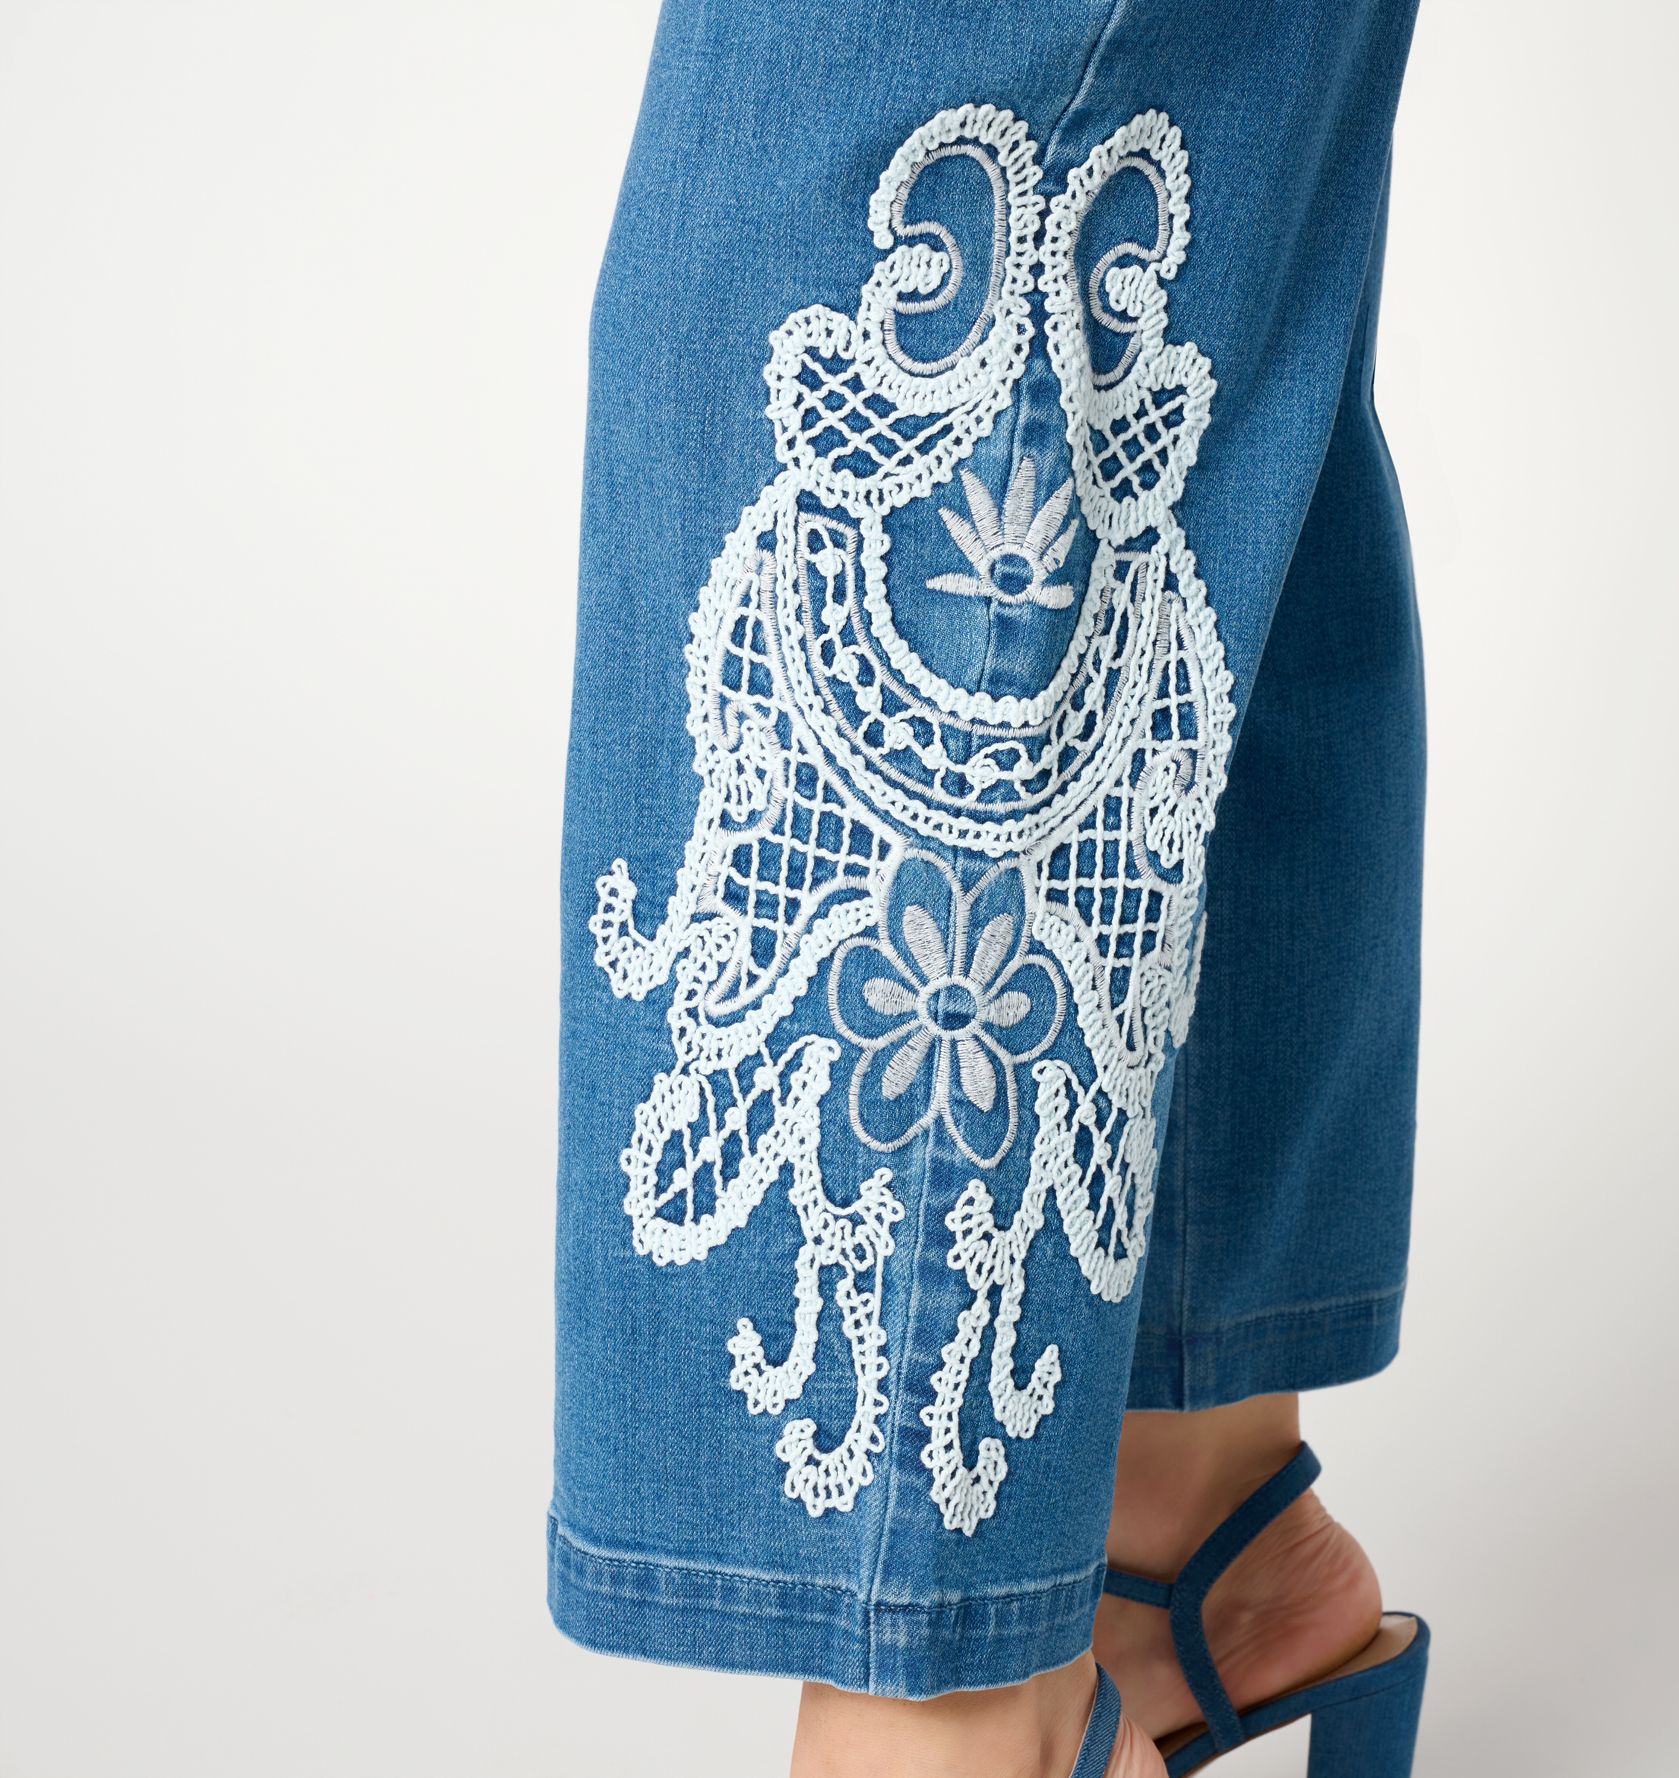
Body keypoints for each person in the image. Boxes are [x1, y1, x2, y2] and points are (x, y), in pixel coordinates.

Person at [551, 4, 1429, 1772]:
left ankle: (951, 1694)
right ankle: (1184, 1514)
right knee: (1212, 234)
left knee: (887, 125)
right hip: (1187, 1559)